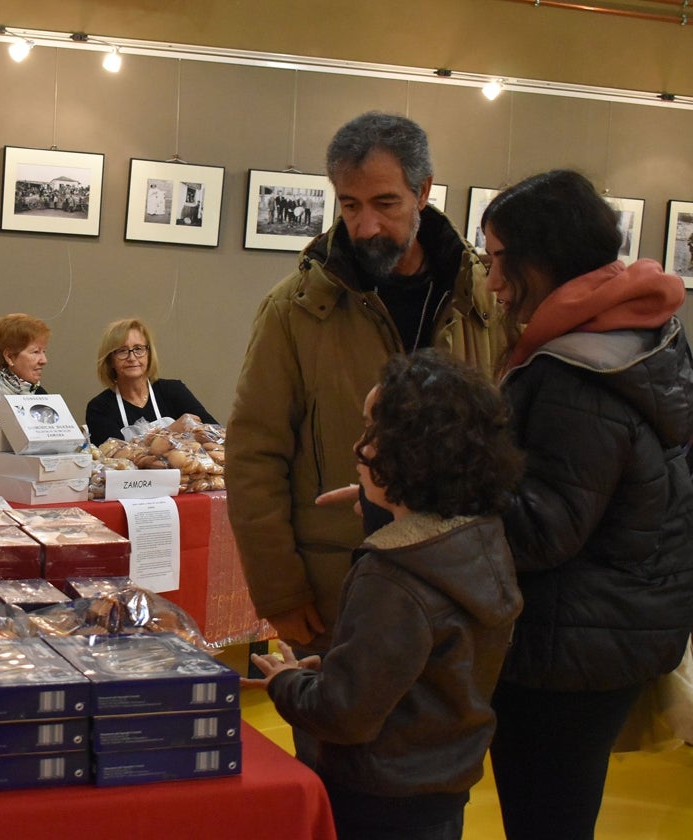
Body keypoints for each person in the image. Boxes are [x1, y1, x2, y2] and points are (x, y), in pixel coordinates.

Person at [227, 111, 502, 656]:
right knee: (338, 737)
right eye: (350, 205)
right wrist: (279, 588)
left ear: (422, 191)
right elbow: (255, 454)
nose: (366, 226)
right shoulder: (295, 309)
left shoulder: (486, 297)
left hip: (463, 582)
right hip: (341, 585)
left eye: (385, 204)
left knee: (447, 739)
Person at [479, 169, 693, 840]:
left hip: (565, 649)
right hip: (613, 630)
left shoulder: (574, 371)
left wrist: (440, 482)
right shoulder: (639, 336)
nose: (490, 282)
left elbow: (544, 529)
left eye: (497, 260)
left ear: (540, 258)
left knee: (545, 817)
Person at [245, 349, 523, 840]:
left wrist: (287, 682)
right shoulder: (478, 540)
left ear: (409, 452)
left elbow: (346, 713)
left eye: (371, 431)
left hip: (378, 798)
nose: (357, 448)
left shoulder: (393, 577)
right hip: (441, 786)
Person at [85, 317, 217, 445]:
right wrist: (169, 432)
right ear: (110, 360)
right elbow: (113, 455)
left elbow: (216, 433)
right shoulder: (100, 408)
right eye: (122, 351)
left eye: (138, 349)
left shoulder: (173, 391)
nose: (132, 357)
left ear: (149, 354)